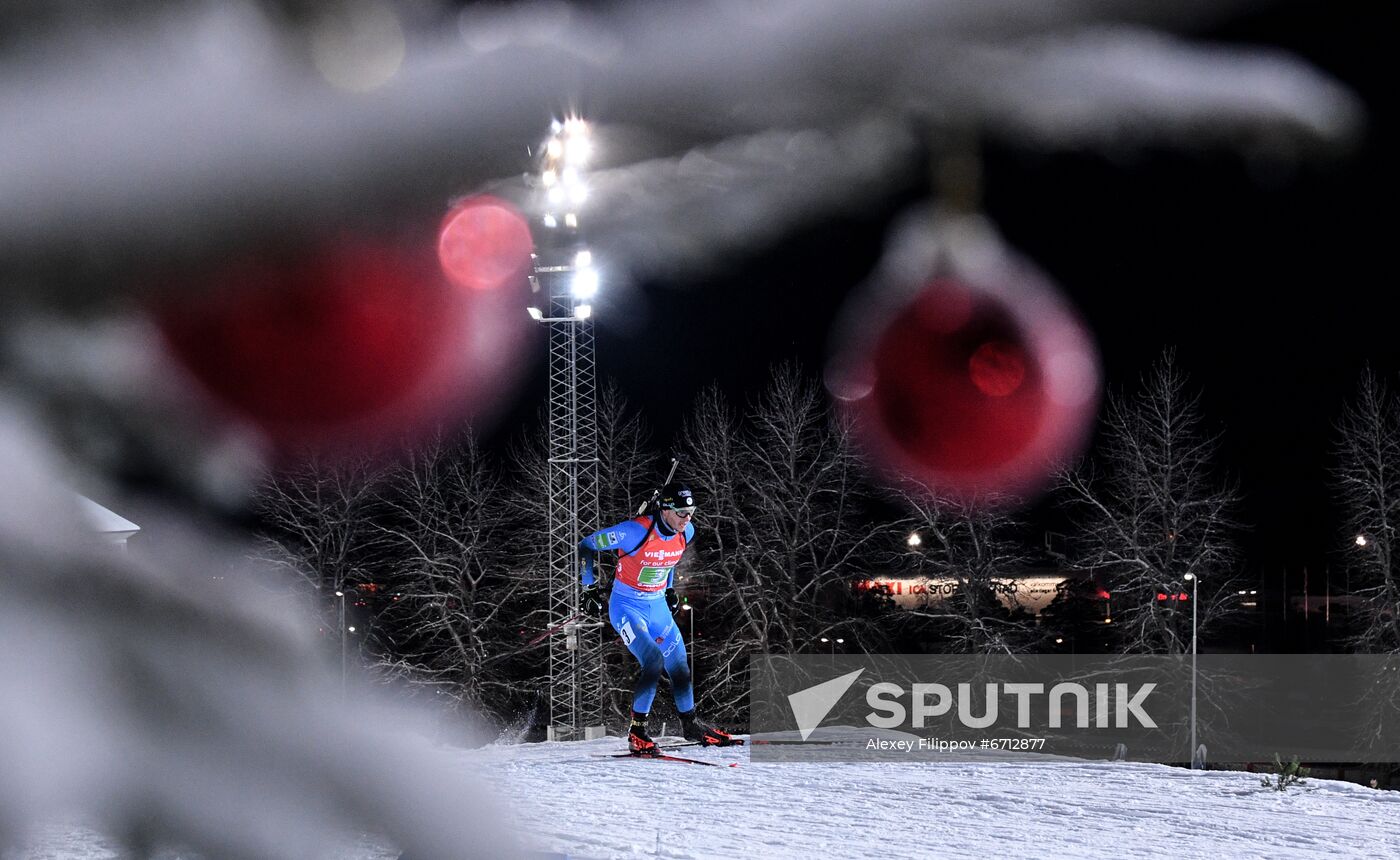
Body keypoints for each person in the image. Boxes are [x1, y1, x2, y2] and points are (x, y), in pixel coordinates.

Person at [579, 482, 737, 755]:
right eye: (681, 513)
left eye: (691, 512)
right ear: (665, 510)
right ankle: (637, 731)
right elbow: (586, 545)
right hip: (627, 607)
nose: (687, 519)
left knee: (678, 660)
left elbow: (668, 561)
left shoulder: (686, 531)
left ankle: (690, 723)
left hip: (656, 607)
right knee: (652, 659)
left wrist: (670, 590)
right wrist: (588, 588)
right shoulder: (633, 531)